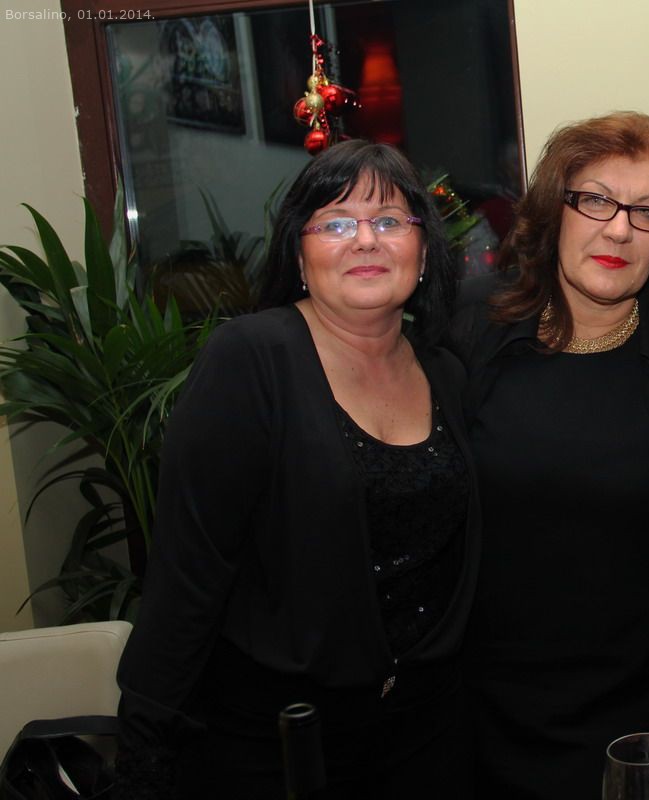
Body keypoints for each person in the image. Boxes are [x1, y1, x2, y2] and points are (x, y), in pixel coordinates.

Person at [114, 140, 479, 799]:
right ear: (300, 256)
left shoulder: (446, 372)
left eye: (389, 220)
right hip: (279, 745)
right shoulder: (251, 359)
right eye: (336, 223)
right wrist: (146, 745)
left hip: (426, 733)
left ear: (424, 253)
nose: (365, 240)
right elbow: (188, 573)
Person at [450, 111, 649, 800]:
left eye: (647, 212)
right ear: (553, 210)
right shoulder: (472, 327)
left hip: (648, 700)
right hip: (493, 699)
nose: (619, 230)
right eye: (595, 200)